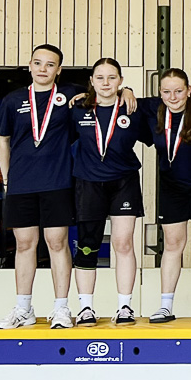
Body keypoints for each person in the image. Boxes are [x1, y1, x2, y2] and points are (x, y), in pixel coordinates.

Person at [0, 45, 79, 329]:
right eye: (38, 63)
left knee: (57, 243)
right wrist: (7, 179)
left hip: (57, 182)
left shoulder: (69, 96)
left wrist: (125, 92)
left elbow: (105, 95)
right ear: (29, 65)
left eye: (50, 64)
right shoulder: (12, 100)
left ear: (59, 70)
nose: (43, 68)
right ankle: (23, 309)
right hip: (21, 184)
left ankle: (61, 308)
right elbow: (2, 139)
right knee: (25, 244)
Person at [140, 69, 191, 323]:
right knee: (173, 245)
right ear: (160, 93)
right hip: (172, 187)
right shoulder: (153, 108)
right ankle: (165, 306)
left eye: (178, 91)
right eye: (166, 91)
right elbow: (118, 95)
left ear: (189, 90)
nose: (173, 97)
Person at [71, 58, 145, 325]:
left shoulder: (133, 109)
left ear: (121, 81)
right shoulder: (78, 108)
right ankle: (85, 308)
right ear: (91, 81)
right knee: (88, 246)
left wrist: (130, 94)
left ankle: (125, 307)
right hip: (88, 183)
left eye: (112, 78)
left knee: (123, 243)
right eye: (100, 78)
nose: (106, 83)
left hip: (123, 182)